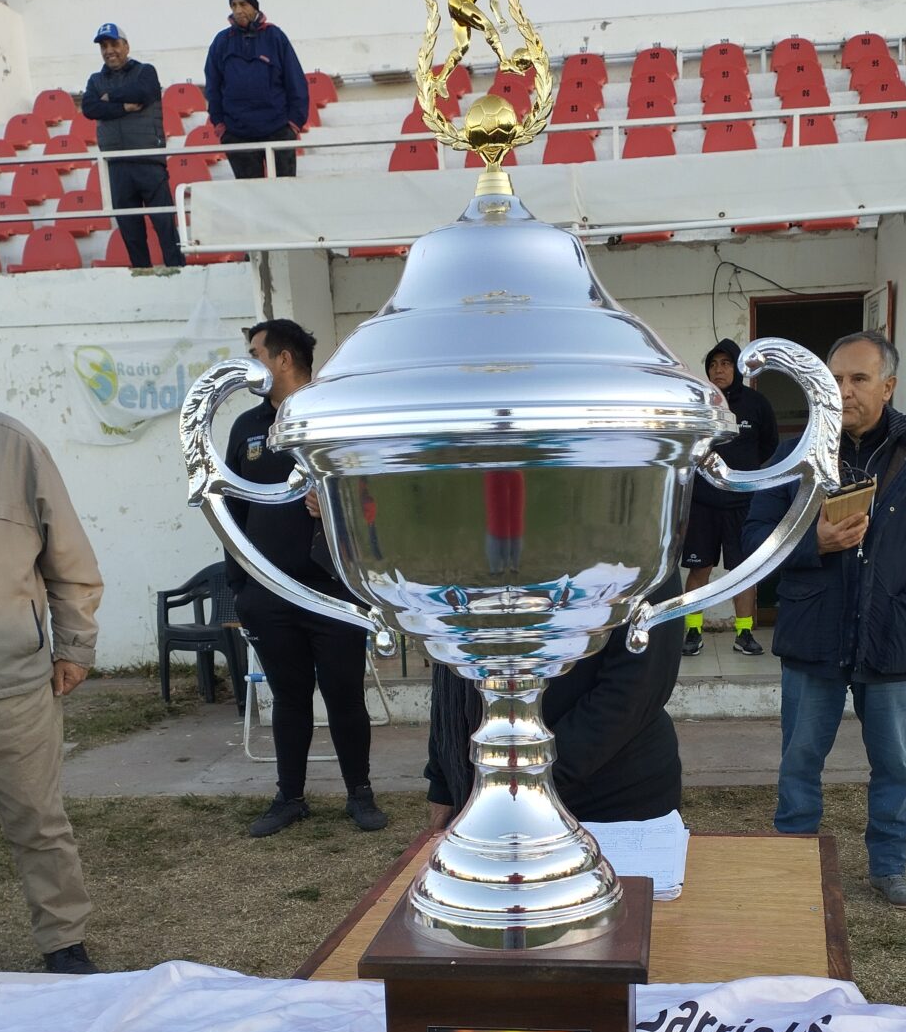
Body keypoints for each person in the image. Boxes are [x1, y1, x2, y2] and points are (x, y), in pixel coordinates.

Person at [741, 332, 906, 911]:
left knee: (894, 762)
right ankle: (794, 859)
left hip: (891, 638)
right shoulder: (796, 454)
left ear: (888, 385)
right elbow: (754, 538)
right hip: (814, 635)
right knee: (800, 758)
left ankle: (889, 866)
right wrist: (810, 543)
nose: (843, 391)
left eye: (858, 379)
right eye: (835, 379)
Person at [224, 319, 388, 838]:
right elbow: (229, 509)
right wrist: (242, 590)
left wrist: (336, 506)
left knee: (344, 695)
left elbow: (375, 498)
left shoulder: (337, 419)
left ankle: (359, 795)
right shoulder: (246, 428)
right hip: (269, 594)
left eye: (256, 353)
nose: (250, 362)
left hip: (333, 591)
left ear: (283, 360)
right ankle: (289, 797)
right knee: (289, 698)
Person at [0, 390, 103, 973]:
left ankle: (64, 943)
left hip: (11, 682)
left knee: (39, 823)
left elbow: (70, 563)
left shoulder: (15, 447)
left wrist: (74, 646)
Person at [425, 567, 684, 826]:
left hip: (608, 797)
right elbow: (451, 669)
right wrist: (443, 784)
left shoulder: (635, 535)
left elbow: (636, 687)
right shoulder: (470, 537)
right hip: (485, 790)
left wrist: (527, 781)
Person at [681, 338, 778, 659]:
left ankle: (744, 632)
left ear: (737, 368)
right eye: (713, 364)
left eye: (725, 364)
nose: (718, 369)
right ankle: (693, 631)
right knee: (699, 570)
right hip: (702, 503)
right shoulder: (699, 404)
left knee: (744, 572)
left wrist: (744, 474)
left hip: (743, 504)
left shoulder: (757, 404)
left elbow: (768, 447)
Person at [81, 22, 186, 270]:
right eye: (104, 46)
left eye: (114, 44)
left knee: (164, 226)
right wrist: (123, 106)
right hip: (117, 166)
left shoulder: (146, 71)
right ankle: (142, 276)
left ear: (126, 46)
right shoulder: (95, 80)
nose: (109, 51)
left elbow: (144, 92)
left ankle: (180, 275)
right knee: (130, 231)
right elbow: (90, 108)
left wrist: (110, 99)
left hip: (148, 161)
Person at [205, 0, 309, 180]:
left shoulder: (275, 36)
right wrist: (221, 127)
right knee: (251, 201)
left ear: (254, 6)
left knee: (285, 196)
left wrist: (293, 125)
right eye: (233, 5)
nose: (238, 10)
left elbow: (295, 81)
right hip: (237, 134)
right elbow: (212, 87)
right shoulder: (221, 41)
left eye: (243, 4)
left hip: (278, 130)